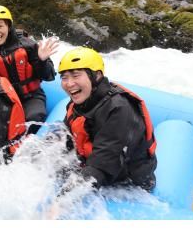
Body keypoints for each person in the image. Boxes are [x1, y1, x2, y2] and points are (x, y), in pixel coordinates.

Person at [58, 47, 157, 191]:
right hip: (92, 165)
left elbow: (103, 164)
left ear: (96, 76)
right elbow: (64, 138)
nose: (69, 83)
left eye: (75, 75)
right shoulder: (77, 104)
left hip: (129, 183)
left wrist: (62, 200)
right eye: (64, 77)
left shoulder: (119, 109)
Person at [0, 5, 59, 135]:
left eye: (0, 26)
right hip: (5, 99)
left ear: (8, 26)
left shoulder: (28, 45)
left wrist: (42, 60)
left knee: (33, 119)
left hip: (31, 96)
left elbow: (49, 76)